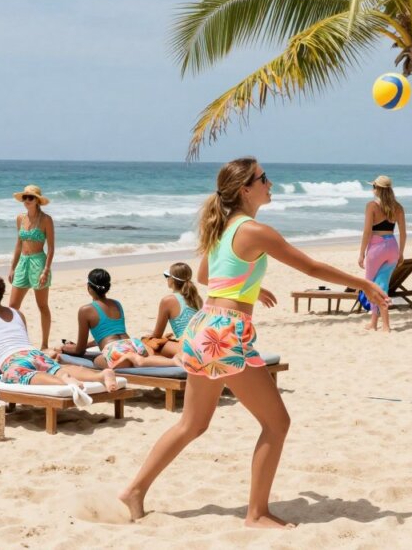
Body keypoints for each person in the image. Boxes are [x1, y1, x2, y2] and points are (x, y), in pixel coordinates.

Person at [119, 157, 388, 528]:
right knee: (277, 423)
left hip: (203, 327)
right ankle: (256, 513)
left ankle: (134, 491)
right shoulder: (254, 230)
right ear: (246, 189)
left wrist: (249, 287)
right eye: (264, 178)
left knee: (192, 425)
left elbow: (205, 275)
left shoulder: (222, 228)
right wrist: (365, 284)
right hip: (227, 334)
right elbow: (309, 268)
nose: (270, 183)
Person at [0, 274, 118, 391]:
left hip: (13, 361)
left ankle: (64, 383)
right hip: (33, 353)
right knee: (55, 368)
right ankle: (99, 375)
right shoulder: (17, 314)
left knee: (18, 375)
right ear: (3, 295)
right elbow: (15, 343)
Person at [58, 269, 174, 368]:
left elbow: (80, 350)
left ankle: (130, 358)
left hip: (115, 351)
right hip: (134, 345)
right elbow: (109, 334)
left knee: (96, 362)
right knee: (129, 357)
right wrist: (88, 345)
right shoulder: (117, 304)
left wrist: (65, 347)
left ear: (89, 287)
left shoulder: (85, 310)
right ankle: (170, 361)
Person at [8, 185, 55, 349]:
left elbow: (51, 248)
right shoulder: (20, 218)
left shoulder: (46, 220)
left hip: (39, 263)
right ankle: (17, 341)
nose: (27, 200)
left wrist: (46, 270)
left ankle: (44, 344)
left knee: (42, 306)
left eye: (30, 197)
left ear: (37, 200)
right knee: (12, 307)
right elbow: (18, 244)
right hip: (22, 262)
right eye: (25, 197)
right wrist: (12, 267)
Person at [358, 175, 406, 332]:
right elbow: (403, 233)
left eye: (373, 187)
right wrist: (401, 253)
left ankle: (380, 322)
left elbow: (367, 231)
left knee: (371, 285)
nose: (372, 189)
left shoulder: (371, 206)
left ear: (377, 189)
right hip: (392, 245)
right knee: (382, 285)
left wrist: (361, 253)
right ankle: (380, 324)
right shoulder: (398, 207)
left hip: (376, 246)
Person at [141, 262, 203, 357]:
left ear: (172, 280)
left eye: (167, 276)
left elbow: (157, 334)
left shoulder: (168, 300)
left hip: (186, 346)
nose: (167, 279)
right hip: (200, 343)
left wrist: (149, 336)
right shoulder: (196, 298)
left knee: (147, 343)